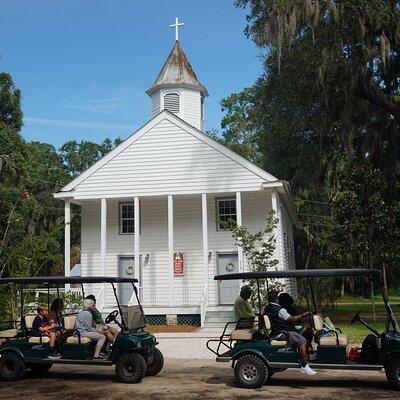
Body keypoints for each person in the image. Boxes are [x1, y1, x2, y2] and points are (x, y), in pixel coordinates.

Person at [264, 290, 316, 376]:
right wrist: (304, 314)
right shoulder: (280, 310)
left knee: (305, 332)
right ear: (277, 299)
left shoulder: (267, 308)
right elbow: (291, 319)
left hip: (276, 331)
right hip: (282, 332)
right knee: (302, 340)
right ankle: (304, 365)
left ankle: (304, 355)